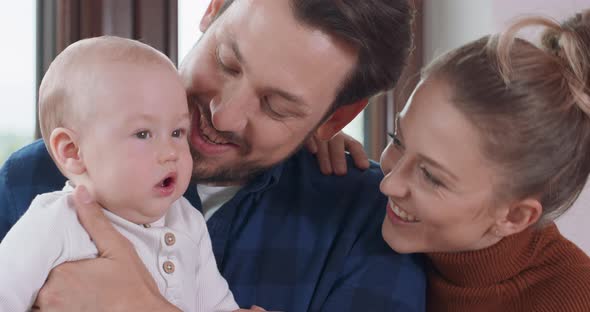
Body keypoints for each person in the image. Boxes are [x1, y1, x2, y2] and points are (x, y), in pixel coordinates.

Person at [0, 0, 426, 311]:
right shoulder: (32, 180)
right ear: (213, 9)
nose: (223, 115)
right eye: (227, 62)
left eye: (276, 106)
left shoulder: (368, 224)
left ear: (335, 119)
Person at [0, 36, 242, 312]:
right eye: (143, 134)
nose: (171, 152)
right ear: (72, 151)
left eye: (177, 132)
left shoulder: (187, 220)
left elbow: (219, 306)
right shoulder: (52, 222)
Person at [379, 10, 590, 312]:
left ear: (514, 216)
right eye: (397, 140)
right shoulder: (362, 217)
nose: (389, 184)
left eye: (430, 176)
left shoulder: (573, 301)